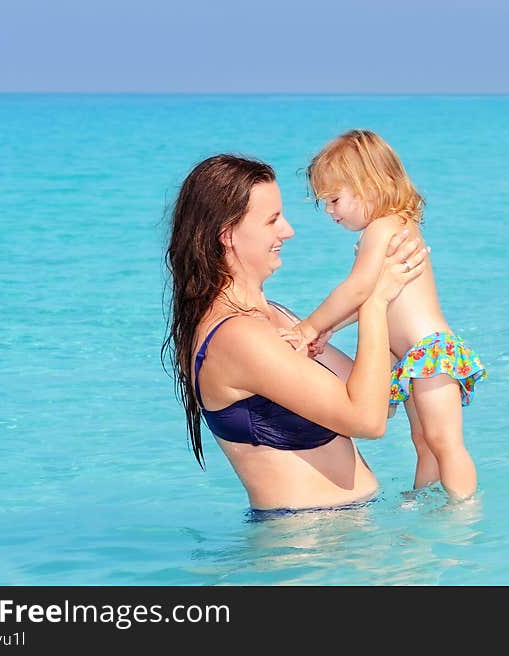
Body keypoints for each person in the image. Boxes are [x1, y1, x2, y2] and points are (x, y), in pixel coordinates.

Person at [162, 154, 428, 512]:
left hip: (347, 533)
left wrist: (408, 313)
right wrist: (374, 301)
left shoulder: (277, 316)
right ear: (227, 235)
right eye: (272, 220)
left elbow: (380, 401)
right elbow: (368, 420)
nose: (287, 231)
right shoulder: (236, 336)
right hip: (301, 547)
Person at [280, 130, 487, 501]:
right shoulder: (392, 227)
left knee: (444, 441)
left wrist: (309, 325)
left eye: (334, 199)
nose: (329, 211)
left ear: (370, 186)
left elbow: (357, 288)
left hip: (431, 352)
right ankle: (425, 501)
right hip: (415, 358)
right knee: (424, 442)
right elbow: (374, 300)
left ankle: (464, 511)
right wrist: (329, 329)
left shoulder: (385, 226)